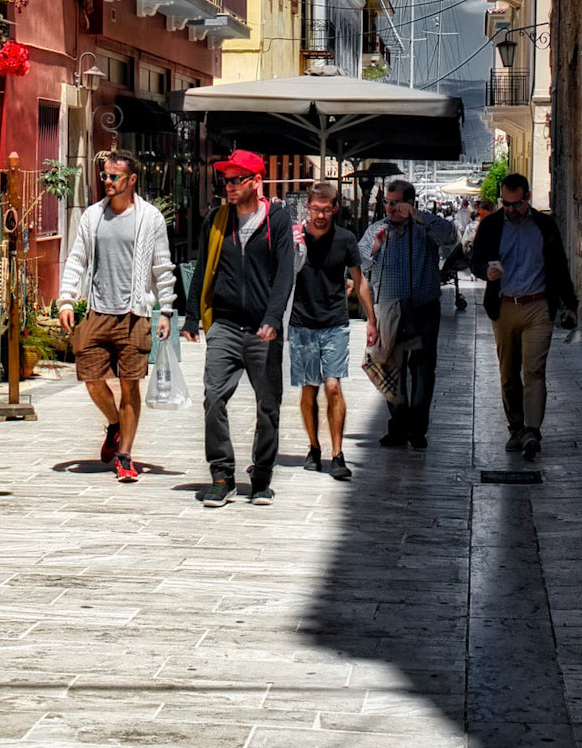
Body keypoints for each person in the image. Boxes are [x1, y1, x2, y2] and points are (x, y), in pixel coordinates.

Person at [184, 149, 295, 508]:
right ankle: (222, 475)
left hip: (263, 328)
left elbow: (284, 274)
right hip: (226, 325)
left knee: (268, 405)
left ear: (256, 182)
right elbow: (203, 268)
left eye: (236, 180)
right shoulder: (217, 220)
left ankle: (261, 476)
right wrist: (191, 317)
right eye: (225, 180)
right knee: (213, 397)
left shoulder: (276, 219)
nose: (228, 186)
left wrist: (273, 319)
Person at [58, 150, 174, 483]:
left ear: (132, 179)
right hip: (97, 311)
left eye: (114, 176)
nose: (107, 181)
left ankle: (125, 457)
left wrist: (165, 309)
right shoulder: (92, 216)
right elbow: (76, 260)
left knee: (130, 386)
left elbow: (162, 266)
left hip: (134, 313)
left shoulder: (149, 218)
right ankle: (115, 425)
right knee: (91, 378)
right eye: (105, 176)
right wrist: (67, 300)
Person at [469, 173, 578, 460]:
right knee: (508, 373)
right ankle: (515, 426)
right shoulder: (491, 225)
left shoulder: (544, 225)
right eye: (506, 204)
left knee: (534, 370)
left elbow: (559, 266)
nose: (511, 210)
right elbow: (476, 259)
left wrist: (570, 304)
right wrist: (485, 272)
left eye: (516, 205)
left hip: (538, 306)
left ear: (527, 198)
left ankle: (532, 430)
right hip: (504, 306)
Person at [359, 178, 453, 449]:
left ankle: (417, 428)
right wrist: (375, 248)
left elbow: (449, 236)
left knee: (422, 369)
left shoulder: (424, 228)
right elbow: (358, 264)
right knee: (390, 365)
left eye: (396, 203)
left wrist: (419, 217)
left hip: (423, 308)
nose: (390, 208)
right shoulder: (376, 229)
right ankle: (397, 425)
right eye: (387, 202)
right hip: (388, 309)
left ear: (410, 203)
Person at [290, 180, 374, 481]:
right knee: (309, 388)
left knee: (333, 386)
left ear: (335, 209)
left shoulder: (346, 240)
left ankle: (337, 454)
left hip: (335, 322)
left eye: (326, 210)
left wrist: (371, 321)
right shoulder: (296, 238)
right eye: (315, 209)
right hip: (302, 322)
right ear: (308, 209)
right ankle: (314, 447)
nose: (320, 215)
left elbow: (359, 280)